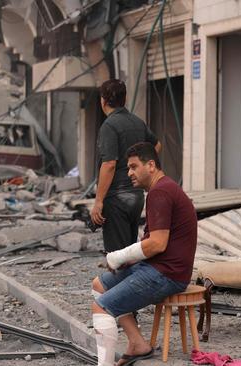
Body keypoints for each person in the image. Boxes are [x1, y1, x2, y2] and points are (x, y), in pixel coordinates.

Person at [91, 142, 197, 366]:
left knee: (102, 306)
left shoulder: (160, 192)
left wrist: (118, 257)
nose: (129, 173)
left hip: (167, 274)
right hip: (159, 266)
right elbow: (154, 244)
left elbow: (157, 244)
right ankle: (138, 343)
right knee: (99, 285)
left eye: (133, 166)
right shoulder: (162, 189)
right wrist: (125, 259)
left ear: (151, 165)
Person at [91, 79, 161, 254]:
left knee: (116, 256)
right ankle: (129, 280)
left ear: (103, 100)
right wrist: (143, 170)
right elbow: (157, 145)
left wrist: (98, 202)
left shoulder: (109, 126)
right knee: (129, 252)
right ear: (124, 99)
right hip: (136, 197)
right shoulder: (137, 122)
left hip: (116, 198)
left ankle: (117, 282)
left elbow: (109, 164)